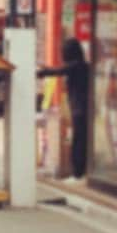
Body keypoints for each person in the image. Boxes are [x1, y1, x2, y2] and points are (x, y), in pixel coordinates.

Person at [38, 37, 91, 181]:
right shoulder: (85, 66)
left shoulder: (75, 66)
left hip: (79, 110)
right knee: (83, 141)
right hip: (85, 109)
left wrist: (41, 72)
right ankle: (83, 172)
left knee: (79, 141)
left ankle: (78, 174)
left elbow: (58, 71)